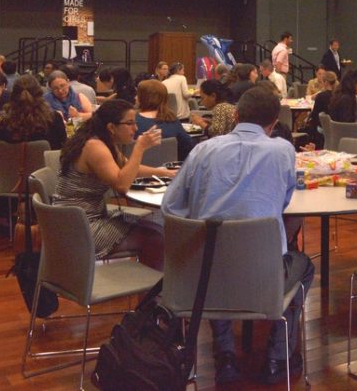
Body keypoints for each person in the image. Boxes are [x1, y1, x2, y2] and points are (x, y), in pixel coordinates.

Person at [162, 87, 314, 385]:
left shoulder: (203, 150)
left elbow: (171, 206)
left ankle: (225, 355)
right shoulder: (283, 150)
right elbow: (283, 202)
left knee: (217, 258)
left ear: (235, 115)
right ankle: (277, 357)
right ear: (273, 122)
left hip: (204, 274)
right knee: (305, 266)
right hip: (263, 272)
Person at [55, 99, 171, 268]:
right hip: (80, 228)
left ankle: (147, 290)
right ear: (111, 127)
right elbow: (122, 184)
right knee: (156, 238)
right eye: (130, 123)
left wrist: (166, 173)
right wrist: (139, 148)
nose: (136, 129)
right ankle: (149, 293)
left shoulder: (99, 140)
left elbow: (128, 168)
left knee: (154, 228)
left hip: (73, 219)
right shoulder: (95, 147)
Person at [0, 74, 68, 150]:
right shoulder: (54, 119)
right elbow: (63, 148)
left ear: (13, 96)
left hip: (10, 161)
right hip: (46, 161)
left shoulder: (4, 122)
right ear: (40, 94)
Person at [134, 79, 194, 160]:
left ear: (143, 97)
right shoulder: (172, 119)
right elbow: (189, 147)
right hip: (169, 168)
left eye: (138, 94)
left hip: (138, 169)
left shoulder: (132, 121)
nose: (135, 97)